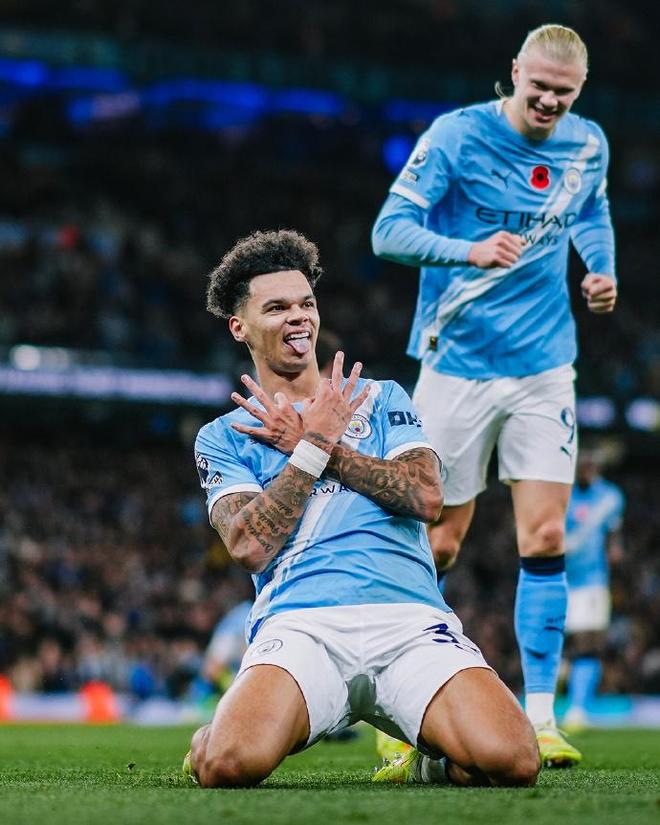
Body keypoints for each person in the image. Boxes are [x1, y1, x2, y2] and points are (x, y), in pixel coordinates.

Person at [183, 228, 539, 788]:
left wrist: (321, 447)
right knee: (226, 765)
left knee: (513, 762)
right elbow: (250, 546)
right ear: (239, 326)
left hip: (410, 621)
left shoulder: (383, 398)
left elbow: (426, 497)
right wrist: (312, 446)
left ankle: (427, 760)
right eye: (276, 308)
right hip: (302, 625)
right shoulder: (224, 435)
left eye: (306, 304)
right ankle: (212, 734)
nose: (298, 317)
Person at [371, 23, 617, 767]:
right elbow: (388, 231)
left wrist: (599, 269)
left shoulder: (588, 144)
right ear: (514, 72)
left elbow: (592, 211)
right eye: (538, 85)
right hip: (457, 366)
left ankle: (540, 717)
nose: (548, 101)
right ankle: (397, 707)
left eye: (563, 92)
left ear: (579, 91)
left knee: (544, 537)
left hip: (545, 367)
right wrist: (468, 250)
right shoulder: (456, 136)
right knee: (438, 540)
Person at [562, 447, 624, 729]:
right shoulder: (563, 493)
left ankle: (578, 707)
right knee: (563, 642)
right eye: (582, 462)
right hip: (559, 577)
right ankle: (558, 690)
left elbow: (613, 536)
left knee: (588, 641)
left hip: (591, 581)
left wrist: (615, 552)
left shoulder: (610, 497)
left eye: (591, 463)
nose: (586, 467)